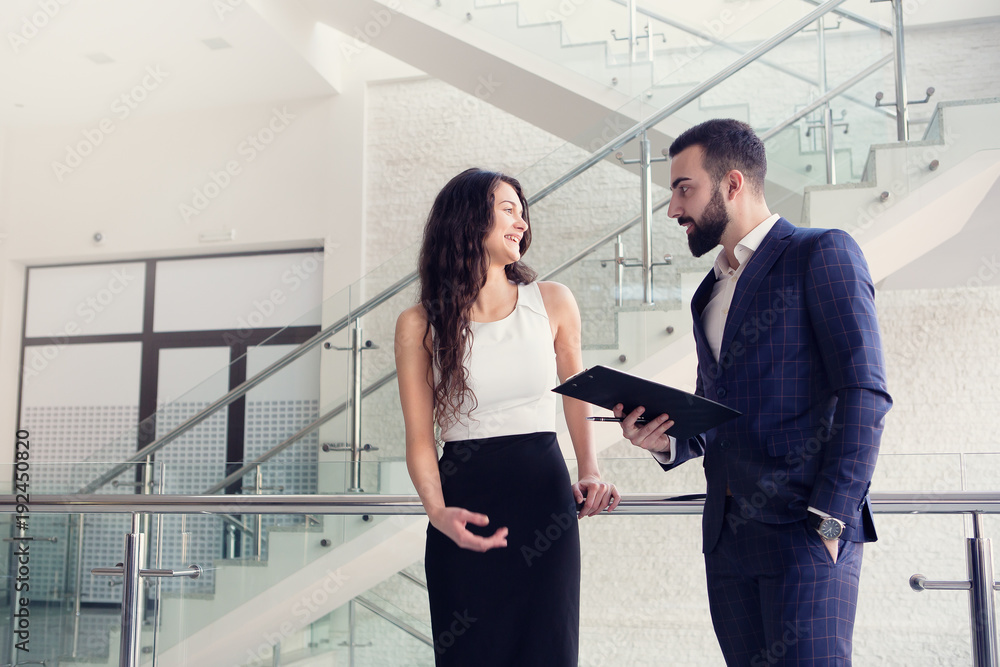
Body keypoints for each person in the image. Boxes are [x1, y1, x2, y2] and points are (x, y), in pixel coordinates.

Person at [616, 119, 891, 665]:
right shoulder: (708, 292)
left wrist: (831, 518)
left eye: (683, 188)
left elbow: (865, 392)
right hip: (728, 541)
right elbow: (712, 413)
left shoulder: (822, 253)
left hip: (805, 532)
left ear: (733, 184)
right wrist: (665, 441)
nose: (673, 209)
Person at [395, 167, 620, 666]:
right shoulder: (419, 322)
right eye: (508, 209)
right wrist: (437, 512)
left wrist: (590, 470)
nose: (521, 222)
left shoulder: (553, 302)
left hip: (543, 497)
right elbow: (417, 437)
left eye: (523, 211)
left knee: (548, 649)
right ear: (468, 219)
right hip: (463, 504)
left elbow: (576, 396)